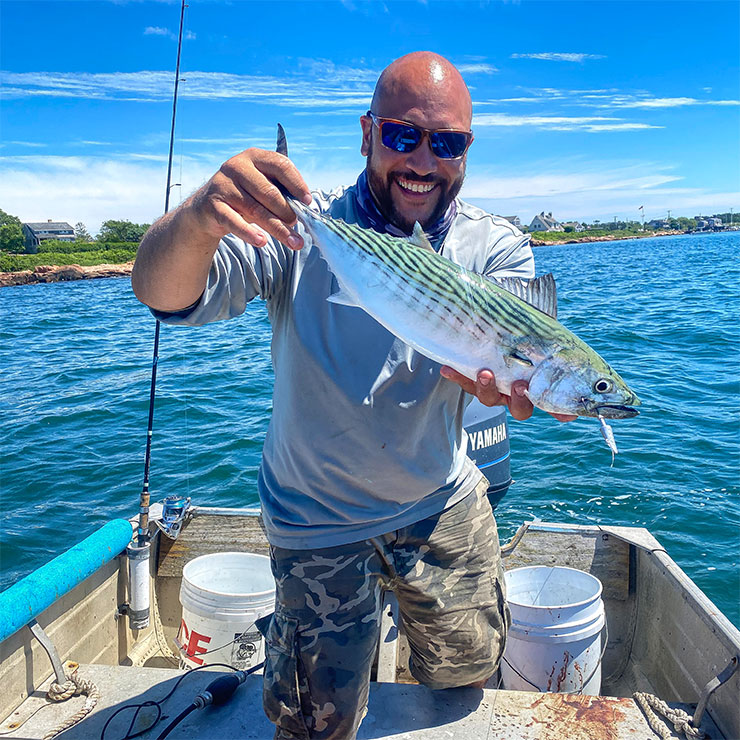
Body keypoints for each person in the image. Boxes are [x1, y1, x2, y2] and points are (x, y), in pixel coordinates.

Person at [133, 51, 573, 740]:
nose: (423, 161)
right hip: (316, 520)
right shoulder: (295, 227)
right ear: (366, 133)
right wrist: (198, 217)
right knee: (318, 724)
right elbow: (163, 294)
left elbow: (504, 363)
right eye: (402, 136)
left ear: (467, 150)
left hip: (442, 500)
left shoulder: (495, 247)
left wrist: (506, 388)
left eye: (446, 143)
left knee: (468, 675)